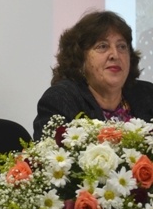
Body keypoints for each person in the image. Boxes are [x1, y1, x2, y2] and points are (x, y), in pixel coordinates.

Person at [33, 10, 153, 139]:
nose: (115, 55)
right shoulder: (61, 100)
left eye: (122, 46)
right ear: (80, 57)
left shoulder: (147, 94)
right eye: (102, 46)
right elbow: (50, 155)